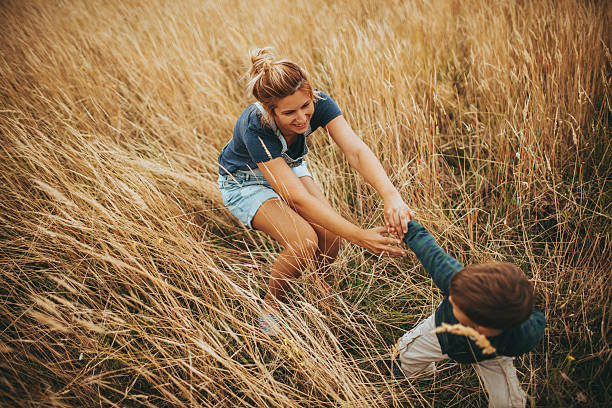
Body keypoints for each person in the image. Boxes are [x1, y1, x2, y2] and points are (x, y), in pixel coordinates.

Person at [217, 47, 414, 335]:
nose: (301, 118)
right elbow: (295, 196)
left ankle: (322, 287)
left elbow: (356, 151)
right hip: (244, 181)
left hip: (286, 165)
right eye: (289, 113)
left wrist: (391, 195)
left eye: (305, 106)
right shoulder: (255, 125)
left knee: (331, 234)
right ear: (270, 111)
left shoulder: (319, 102)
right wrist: (360, 236)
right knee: (304, 241)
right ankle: (271, 306)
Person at [395, 220, 546, 407]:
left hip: (492, 356)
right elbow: (430, 252)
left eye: (457, 305)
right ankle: (422, 377)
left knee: (507, 403)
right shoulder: (457, 282)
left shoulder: (522, 335)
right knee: (406, 356)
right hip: (440, 332)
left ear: (483, 327)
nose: (449, 299)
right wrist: (406, 226)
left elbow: (537, 321)